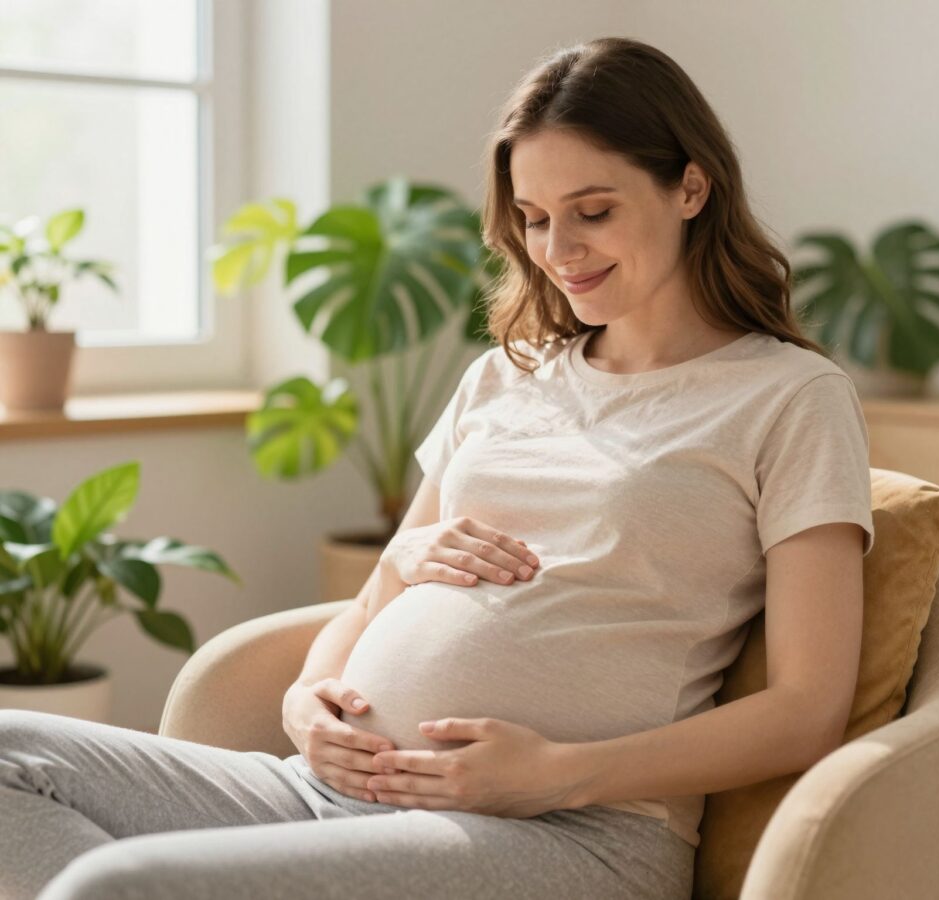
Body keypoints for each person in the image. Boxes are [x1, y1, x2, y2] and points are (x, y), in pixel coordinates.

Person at [0, 36, 874, 900]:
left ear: (690, 185)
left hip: (566, 835)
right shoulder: (504, 375)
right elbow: (384, 586)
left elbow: (806, 708)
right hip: (326, 794)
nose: (558, 248)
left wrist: (560, 773)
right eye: (533, 218)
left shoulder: (788, 397)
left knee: (115, 887)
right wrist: (308, 696)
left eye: (593, 210)